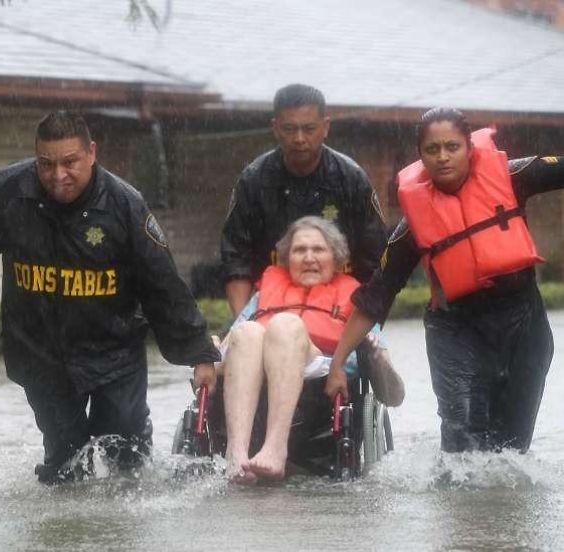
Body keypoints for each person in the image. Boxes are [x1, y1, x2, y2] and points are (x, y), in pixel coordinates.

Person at [0, 111, 220, 483]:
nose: (58, 175)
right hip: (41, 354)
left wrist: (200, 355)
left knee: (128, 463)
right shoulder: (7, 192)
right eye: (46, 164)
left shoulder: (125, 205)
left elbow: (164, 286)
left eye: (69, 162)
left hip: (114, 354)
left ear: (91, 152)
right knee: (65, 468)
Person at [326, 107, 564, 454]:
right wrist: (337, 363)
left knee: (512, 447)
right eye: (432, 149)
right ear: (420, 156)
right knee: (462, 442)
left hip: (523, 325)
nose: (442, 157)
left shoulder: (512, 176)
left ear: (469, 147)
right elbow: (375, 297)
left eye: (452, 147)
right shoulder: (412, 227)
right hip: (456, 331)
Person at [219, 216, 401, 483]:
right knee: (246, 331)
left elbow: (394, 394)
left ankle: (275, 448)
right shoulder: (262, 295)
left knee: (285, 325)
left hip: (322, 370)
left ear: (336, 258)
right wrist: (209, 354)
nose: (308, 258)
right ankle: (236, 453)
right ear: (286, 258)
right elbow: (229, 345)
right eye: (299, 250)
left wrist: (377, 359)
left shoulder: (356, 298)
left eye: (318, 250)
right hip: (258, 369)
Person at [221, 83, 387, 317]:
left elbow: (375, 260)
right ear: (275, 128)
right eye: (289, 129)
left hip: (340, 305)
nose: (299, 139)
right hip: (270, 303)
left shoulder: (351, 179)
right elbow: (236, 259)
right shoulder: (253, 181)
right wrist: (243, 322)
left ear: (325, 127)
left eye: (309, 128)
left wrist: (363, 323)